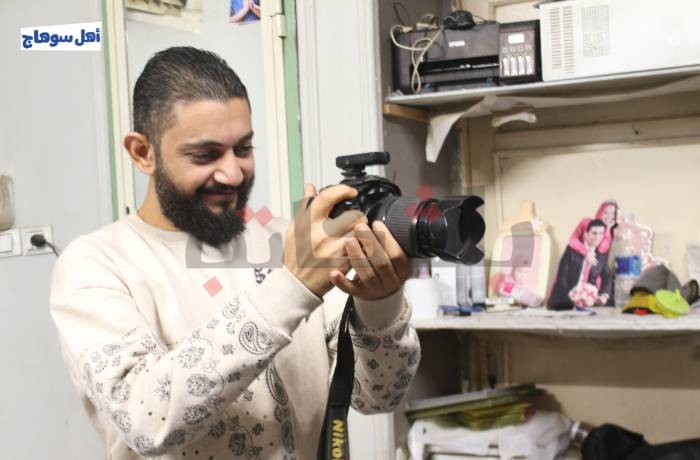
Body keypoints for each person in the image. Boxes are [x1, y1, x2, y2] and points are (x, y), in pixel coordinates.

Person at [49, 47, 420, 459]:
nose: (232, 173)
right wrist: (293, 286)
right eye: (205, 155)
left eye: (243, 149)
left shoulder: (292, 242)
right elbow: (146, 421)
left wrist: (381, 304)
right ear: (142, 152)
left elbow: (379, 396)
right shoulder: (95, 265)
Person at [549, 219, 613, 310]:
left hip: (588, 302)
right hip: (565, 300)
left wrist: (604, 295)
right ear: (586, 235)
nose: (598, 237)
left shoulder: (600, 255)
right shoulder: (571, 251)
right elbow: (562, 277)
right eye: (594, 233)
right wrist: (570, 297)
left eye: (601, 234)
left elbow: (607, 277)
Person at [567, 200, 618, 268]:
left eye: (612, 213)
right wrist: (586, 252)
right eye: (605, 213)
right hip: (575, 262)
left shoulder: (608, 232)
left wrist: (608, 229)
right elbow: (572, 240)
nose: (609, 216)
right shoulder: (586, 222)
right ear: (600, 212)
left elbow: (601, 250)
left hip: (591, 268)